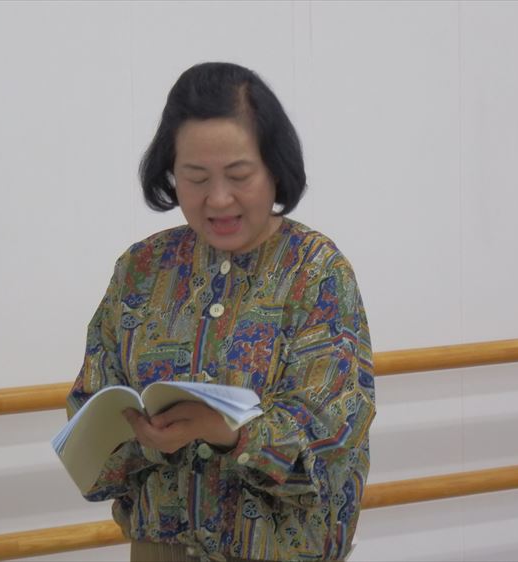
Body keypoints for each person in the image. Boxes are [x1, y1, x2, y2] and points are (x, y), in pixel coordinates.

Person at [66, 62, 376, 562]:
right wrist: (143, 440)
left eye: (238, 175)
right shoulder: (141, 270)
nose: (218, 198)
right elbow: (89, 424)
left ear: (274, 168)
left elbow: (332, 445)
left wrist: (231, 433)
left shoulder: (316, 272)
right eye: (195, 177)